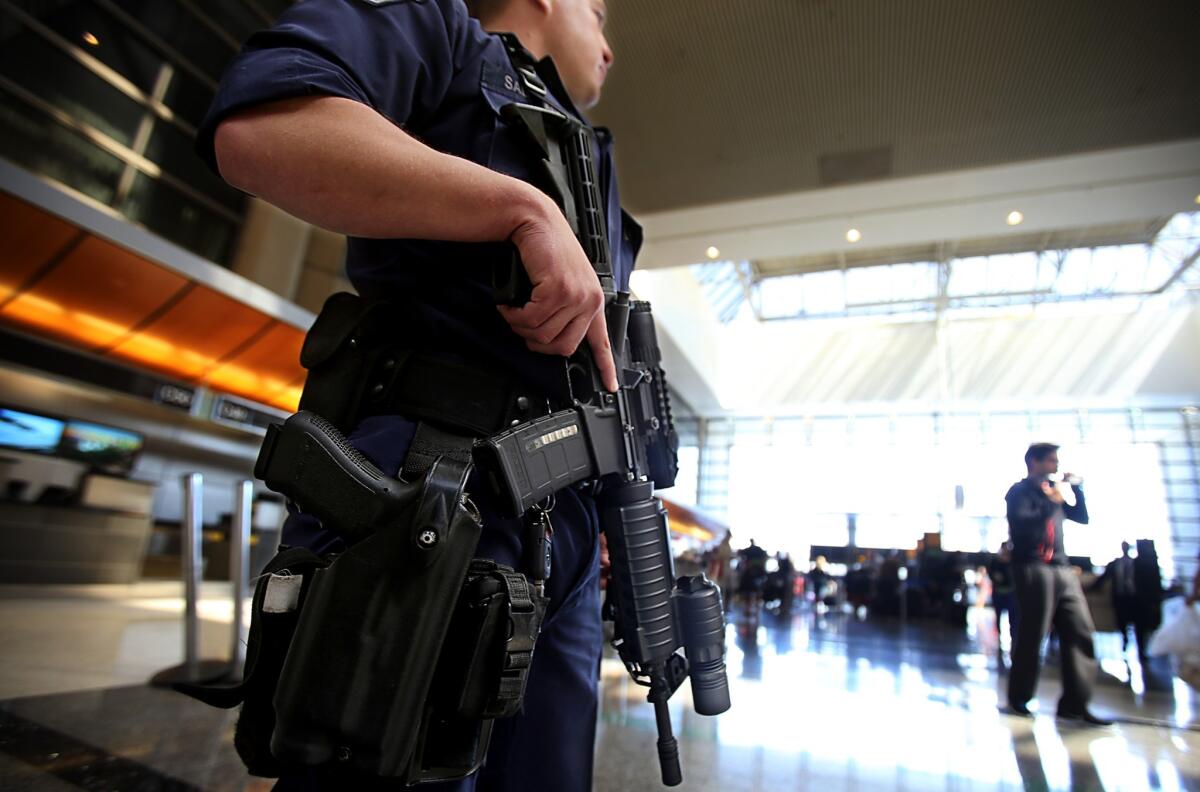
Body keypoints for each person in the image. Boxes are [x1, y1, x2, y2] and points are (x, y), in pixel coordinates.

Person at [197, 1, 630, 789]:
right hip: (436, 489)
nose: (609, 44)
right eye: (598, 12)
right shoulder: (442, 32)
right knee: (381, 760)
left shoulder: (592, 156)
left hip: (561, 520)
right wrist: (519, 207)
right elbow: (262, 128)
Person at [1005, 443, 1111, 725]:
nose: (1055, 465)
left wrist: (1076, 489)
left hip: (1062, 568)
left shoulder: (1054, 492)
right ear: (1034, 462)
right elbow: (1022, 526)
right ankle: (1020, 698)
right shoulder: (1020, 493)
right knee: (1033, 633)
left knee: (1080, 631)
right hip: (1033, 566)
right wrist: (1051, 501)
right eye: (1051, 460)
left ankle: (1075, 704)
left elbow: (1082, 517)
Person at [1091, 542, 1142, 658]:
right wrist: (1089, 588)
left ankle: (1141, 650)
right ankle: (1125, 641)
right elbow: (1104, 578)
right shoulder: (1115, 563)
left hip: (1134, 597)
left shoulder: (1136, 563)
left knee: (1138, 624)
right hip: (1120, 596)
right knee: (1121, 621)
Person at [988, 542, 1018, 662]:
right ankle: (1000, 638)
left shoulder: (1013, 562)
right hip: (998, 593)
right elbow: (991, 573)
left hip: (1010, 594)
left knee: (1013, 619)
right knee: (999, 617)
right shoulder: (995, 562)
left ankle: (1013, 640)